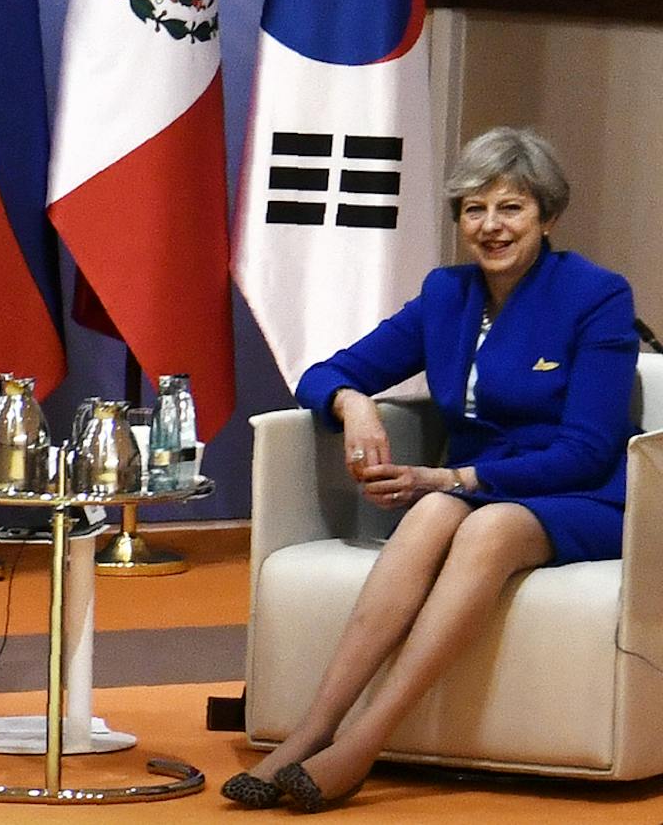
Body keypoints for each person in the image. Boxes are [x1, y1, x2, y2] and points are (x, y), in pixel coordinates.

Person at [223, 127, 637, 812]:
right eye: (474, 209)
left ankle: (363, 745)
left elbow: (588, 450)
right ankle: (311, 731)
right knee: (436, 514)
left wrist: (450, 479)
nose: (490, 226)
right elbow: (325, 372)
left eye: (511, 208)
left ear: (548, 216)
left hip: (583, 495)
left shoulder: (595, 296)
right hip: (476, 489)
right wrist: (354, 403)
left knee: (480, 523)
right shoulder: (447, 296)